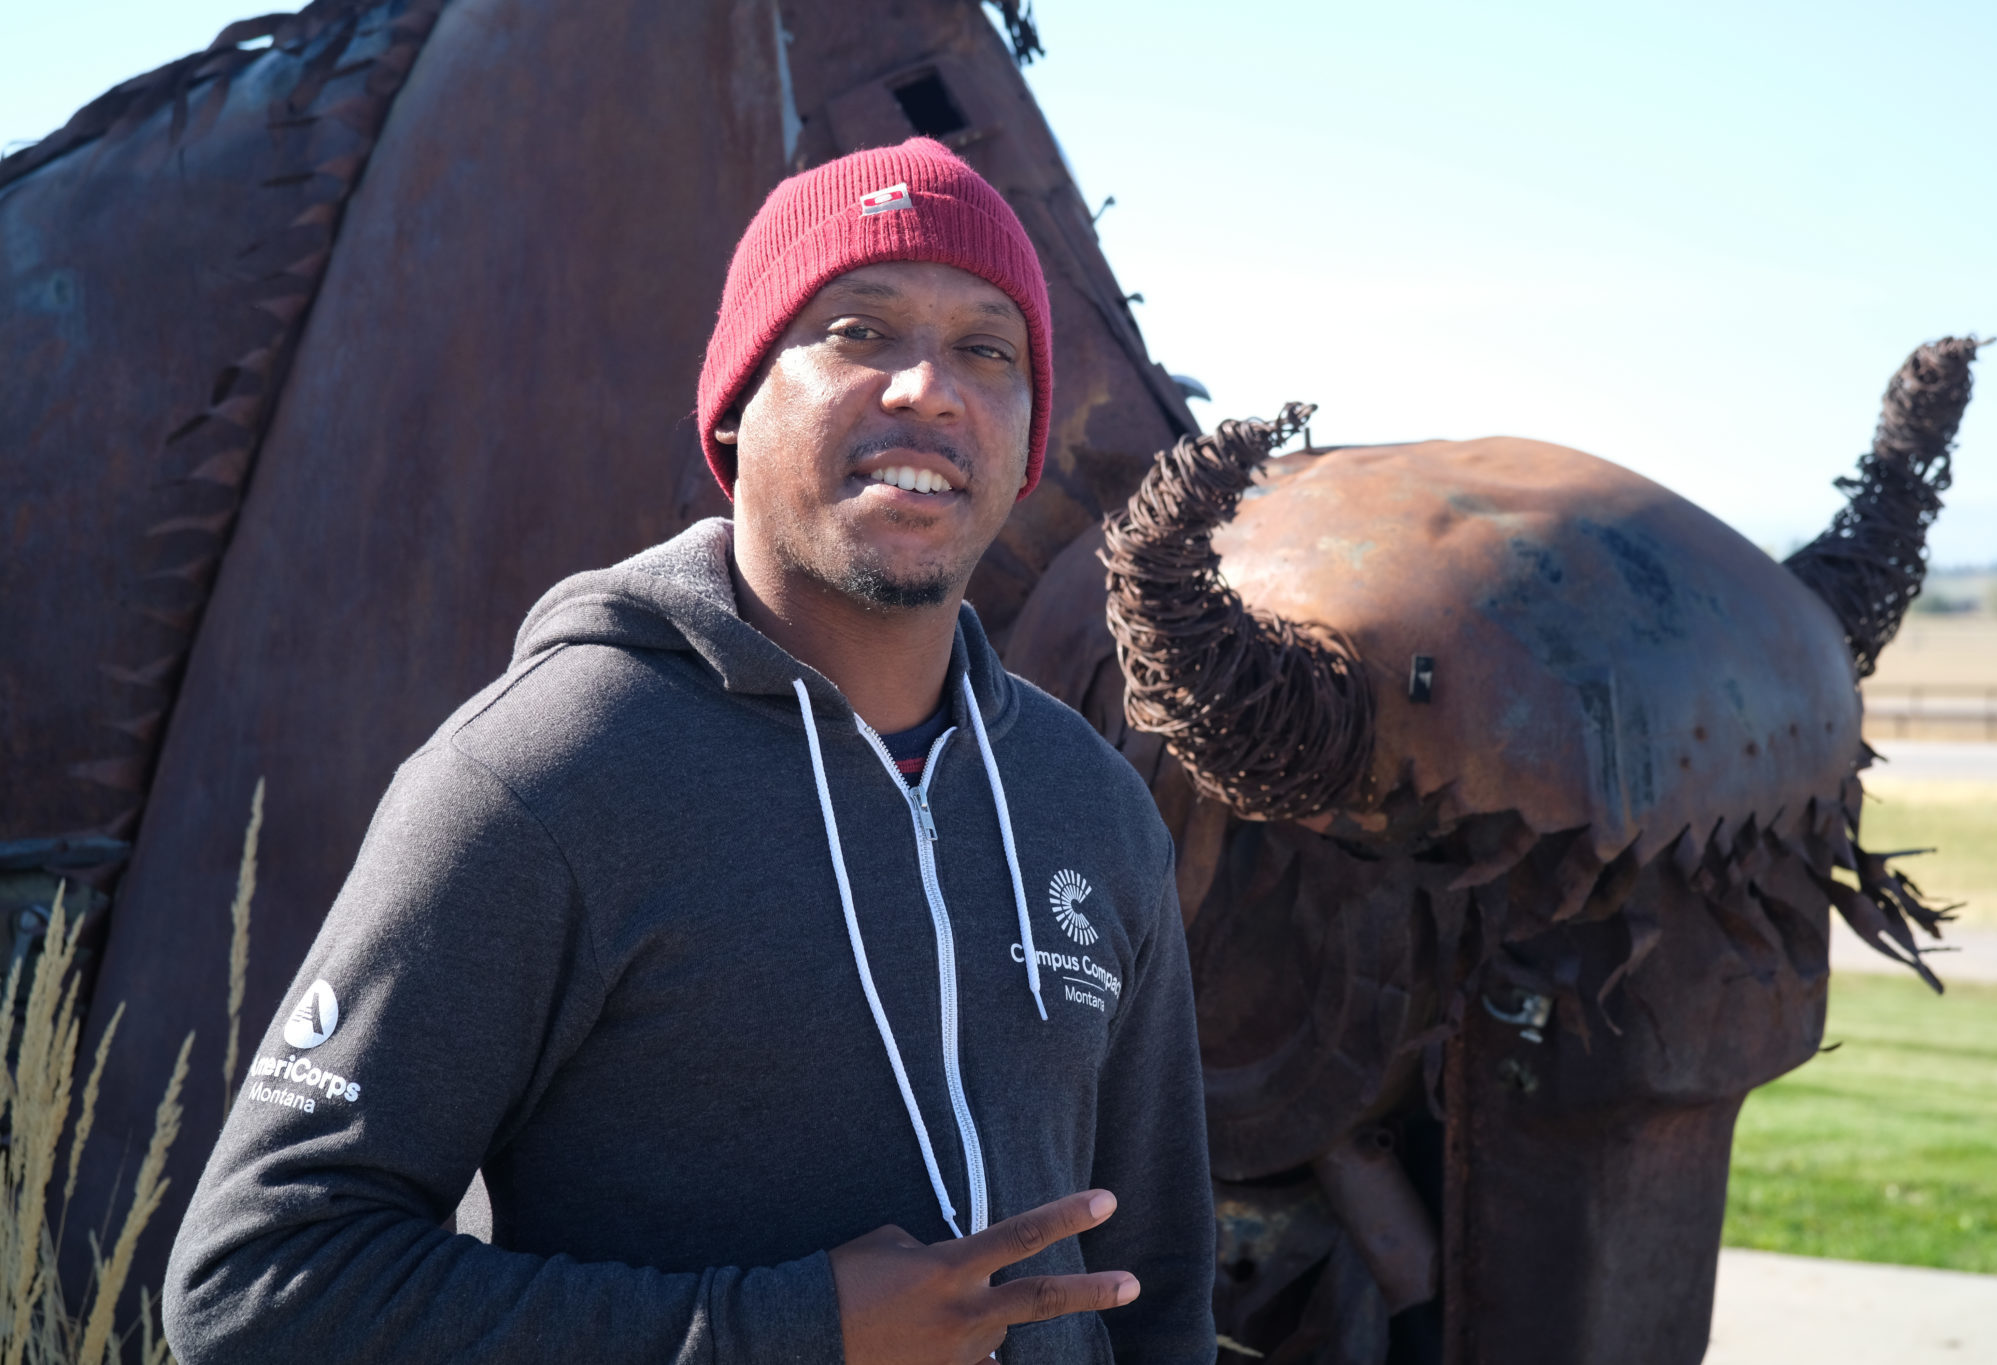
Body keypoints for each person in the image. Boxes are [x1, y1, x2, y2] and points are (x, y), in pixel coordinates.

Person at [165, 136, 1214, 1364]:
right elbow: (257, 1285)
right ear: (736, 400)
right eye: (858, 331)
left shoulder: (1086, 806)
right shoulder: (548, 774)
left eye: (985, 349)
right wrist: (786, 1333)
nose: (928, 387)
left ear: (1026, 433)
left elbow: (1160, 1298)